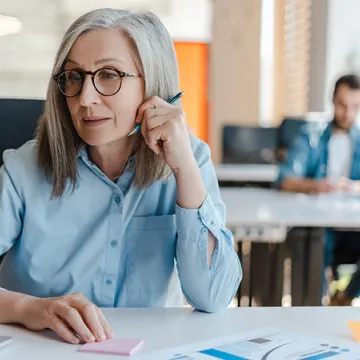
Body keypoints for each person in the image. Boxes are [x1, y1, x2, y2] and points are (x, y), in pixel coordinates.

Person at [0, 8, 242, 344]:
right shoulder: (23, 169)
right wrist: (29, 308)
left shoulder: (190, 161)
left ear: (152, 85)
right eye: (73, 76)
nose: (85, 98)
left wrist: (184, 168)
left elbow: (213, 296)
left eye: (109, 75)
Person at [277, 74, 360, 304]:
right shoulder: (310, 136)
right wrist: (317, 186)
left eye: (355, 107)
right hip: (319, 226)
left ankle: (346, 296)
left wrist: (353, 186)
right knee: (317, 240)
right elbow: (285, 179)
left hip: (351, 228)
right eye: (343, 105)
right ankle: (316, 304)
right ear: (333, 101)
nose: (348, 113)